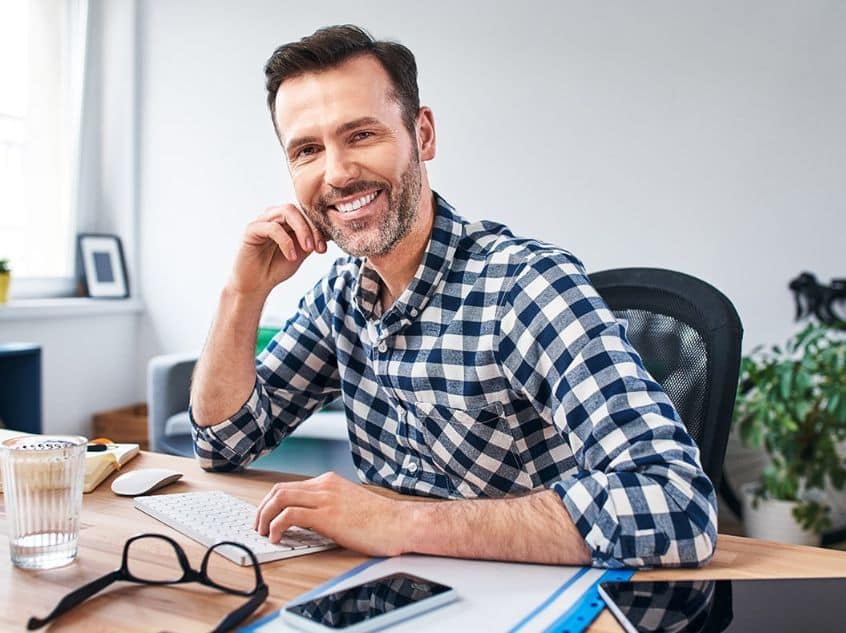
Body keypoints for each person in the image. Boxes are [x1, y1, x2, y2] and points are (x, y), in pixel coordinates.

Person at [190, 24, 717, 569]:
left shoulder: (524, 286)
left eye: (362, 135)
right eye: (306, 150)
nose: (338, 173)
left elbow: (677, 505)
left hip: (551, 597)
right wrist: (241, 293)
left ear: (423, 135)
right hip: (407, 586)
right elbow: (223, 442)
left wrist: (398, 522)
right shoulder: (342, 296)